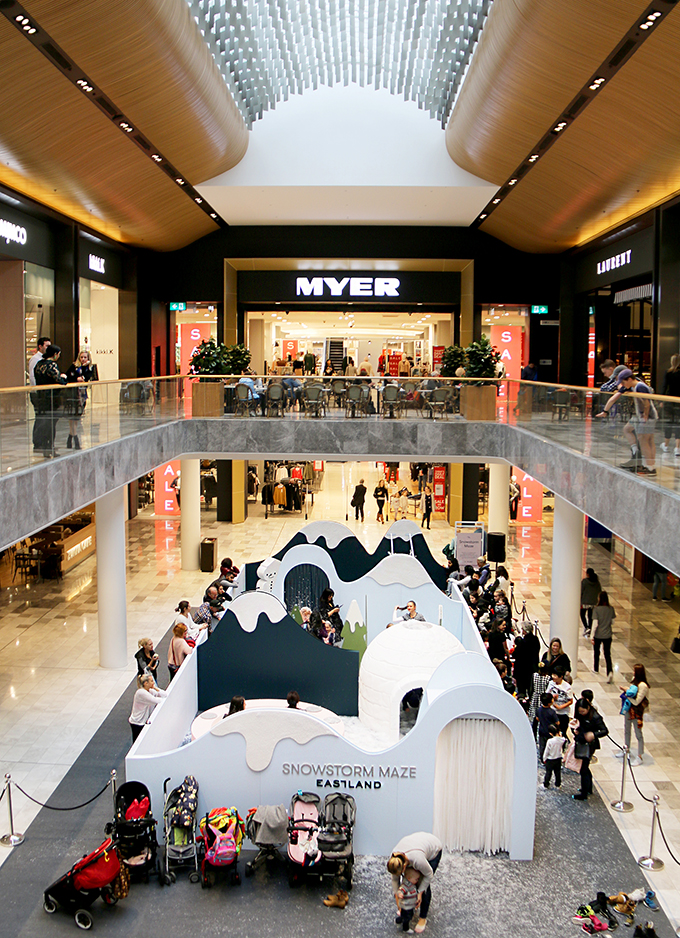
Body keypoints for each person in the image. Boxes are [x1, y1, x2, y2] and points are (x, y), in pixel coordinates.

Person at [596, 368, 658, 475]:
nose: (622, 384)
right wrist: (605, 411)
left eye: (624, 382)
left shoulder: (640, 386)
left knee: (645, 440)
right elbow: (613, 398)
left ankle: (650, 467)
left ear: (629, 379)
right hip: (640, 416)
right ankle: (637, 452)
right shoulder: (631, 386)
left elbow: (647, 403)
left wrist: (645, 417)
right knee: (627, 429)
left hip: (647, 417)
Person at [387, 832, 442, 935]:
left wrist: (420, 893)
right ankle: (410, 908)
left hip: (433, 849)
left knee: (421, 882)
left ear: (404, 867)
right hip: (416, 844)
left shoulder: (418, 860)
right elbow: (395, 880)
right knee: (408, 880)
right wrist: (398, 900)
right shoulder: (394, 859)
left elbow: (429, 875)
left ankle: (423, 917)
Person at [571, 697, 609, 800]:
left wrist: (593, 734)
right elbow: (577, 723)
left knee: (583, 768)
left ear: (588, 708)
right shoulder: (579, 714)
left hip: (590, 744)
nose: (581, 713)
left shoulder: (595, 717)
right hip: (581, 740)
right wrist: (576, 729)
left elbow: (604, 731)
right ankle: (588, 788)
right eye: (580, 712)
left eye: (583, 711)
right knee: (585, 767)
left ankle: (584, 793)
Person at [33, 344, 67, 457]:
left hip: (41, 398)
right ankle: (49, 448)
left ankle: (45, 448)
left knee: (44, 423)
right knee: (51, 424)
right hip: (51, 398)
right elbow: (60, 381)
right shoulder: (52, 365)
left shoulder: (39, 364)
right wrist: (64, 378)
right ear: (55, 354)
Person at [65, 349, 98, 449]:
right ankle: (75, 438)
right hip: (72, 393)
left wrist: (84, 368)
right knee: (72, 417)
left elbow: (88, 377)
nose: (83, 359)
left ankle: (71, 436)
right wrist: (76, 376)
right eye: (82, 357)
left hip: (82, 395)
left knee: (77, 417)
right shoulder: (74, 366)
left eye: (85, 357)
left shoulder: (90, 367)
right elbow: (68, 376)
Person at [619, 664, 649, 765]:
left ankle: (640, 756)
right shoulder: (634, 680)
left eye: (634, 671)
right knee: (627, 730)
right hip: (629, 709)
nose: (632, 672)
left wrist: (627, 693)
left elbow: (637, 701)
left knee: (638, 733)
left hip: (637, 712)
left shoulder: (643, 686)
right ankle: (626, 749)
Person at [129, 673, 167, 742]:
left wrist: (155, 688)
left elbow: (165, 695)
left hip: (143, 720)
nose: (153, 683)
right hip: (137, 722)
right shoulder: (141, 693)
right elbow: (157, 700)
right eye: (152, 681)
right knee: (137, 742)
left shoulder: (150, 691)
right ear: (146, 683)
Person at [511, 621, 540, 698]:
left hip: (522, 670)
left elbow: (516, 654)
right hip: (532, 669)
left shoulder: (522, 643)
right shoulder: (536, 640)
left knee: (522, 691)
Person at [591, 591, 615, 681]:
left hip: (598, 634)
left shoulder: (597, 609)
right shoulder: (611, 609)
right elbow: (613, 622)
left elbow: (595, 624)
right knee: (607, 654)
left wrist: (591, 636)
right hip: (608, 635)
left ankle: (596, 668)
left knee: (596, 652)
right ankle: (610, 671)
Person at [660, 354, 680, 456]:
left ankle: (666, 445)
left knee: (669, 422)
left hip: (669, 400)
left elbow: (664, 386)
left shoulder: (668, 373)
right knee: (678, 423)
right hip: (679, 401)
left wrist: (661, 400)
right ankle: (677, 448)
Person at [547, 669, 573, 737]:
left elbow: (570, 701)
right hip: (553, 711)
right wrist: (552, 697)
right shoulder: (551, 683)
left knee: (562, 731)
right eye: (552, 674)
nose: (553, 677)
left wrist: (561, 707)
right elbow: (547, 694)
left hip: (563, 713)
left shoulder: (567, 687)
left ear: (561, 677)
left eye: (555, 675)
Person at [394, 866, 421, 932]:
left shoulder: (412, 884)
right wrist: (400, 894)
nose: (417, 880)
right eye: (416, 879)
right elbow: (401, 890)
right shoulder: (406, 885)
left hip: (409, 905)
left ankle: (399, 920)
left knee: (405, 915)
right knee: (407, 918)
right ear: (409, 878)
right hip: (406, 905)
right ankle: (405, 928)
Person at [536, 691, 559, 761]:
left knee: (542, 746)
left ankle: (542, 758)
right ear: (550, 703)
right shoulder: (552, 712)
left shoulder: (539, 709)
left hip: (542, 730)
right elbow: (557, 722)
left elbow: (537, 719)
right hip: (550, 732)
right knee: (550, 746)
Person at [542, 724, 566, 789]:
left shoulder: (550, 741)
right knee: (558, 772)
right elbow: (563, 738)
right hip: (558, 758)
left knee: (548, 772)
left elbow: (547, 751)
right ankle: (558, 784)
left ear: (550, 733)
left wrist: (544, 758)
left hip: (550, 759)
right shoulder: (562, 740)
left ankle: (546, 783)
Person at [580, 568, 601, 637]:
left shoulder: (585, 582)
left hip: (585, 602)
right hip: (593, 602)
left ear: (587, 574)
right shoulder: (597, 582)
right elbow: (599, 591)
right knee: (590, 616)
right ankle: (589, 627)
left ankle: (586, 627)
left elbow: (581, 591)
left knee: (582, 614)